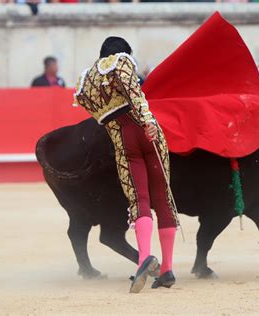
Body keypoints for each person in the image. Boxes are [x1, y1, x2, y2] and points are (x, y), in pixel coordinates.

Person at [72, 37, 179, 293]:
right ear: (125, 52)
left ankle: (144, 258)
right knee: (163, 200)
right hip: (146, 133)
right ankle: (167, 270)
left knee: (139, 199)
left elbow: (98, 115)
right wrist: (149, 122)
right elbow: (135, 93)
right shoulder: (121, 62)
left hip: (122, 141)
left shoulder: (86, 81)